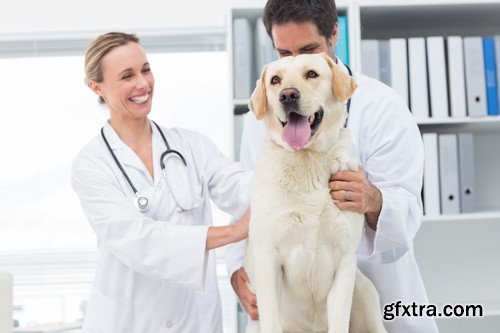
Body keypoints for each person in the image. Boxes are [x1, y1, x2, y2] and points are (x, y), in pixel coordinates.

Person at [226, 1, 439, 332]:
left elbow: (408, 211)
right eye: (284, 53)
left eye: (309, 49)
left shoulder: (383, 107)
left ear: (334, 33)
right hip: (292, 309)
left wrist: (372, 199)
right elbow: (248, 202)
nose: (292, 81)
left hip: (376, 290)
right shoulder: (266, 114)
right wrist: (239, 270)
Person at [72, 32, 251, 333]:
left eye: (145, 69)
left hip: (195, 320)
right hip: (127, 323)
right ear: (96, 87)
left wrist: (290, 179)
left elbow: (239, 185)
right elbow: (139, 240)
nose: (143, 83)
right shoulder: (91, 165)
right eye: (127, 76)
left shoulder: (192, 146)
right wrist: (233, 232)